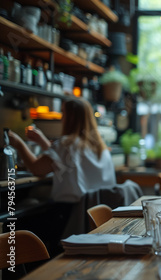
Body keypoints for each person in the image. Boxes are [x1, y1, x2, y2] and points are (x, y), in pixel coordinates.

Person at [8, 98, 117, 254]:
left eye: (63, 112)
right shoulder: (100, 147)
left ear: (71, 117)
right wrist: (43, 142)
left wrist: (18, 143)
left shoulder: (66, 144)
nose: (61, 116)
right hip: (95, 218)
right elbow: (64, 163)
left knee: (14, 224)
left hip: (69, 218)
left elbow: (37, 168)